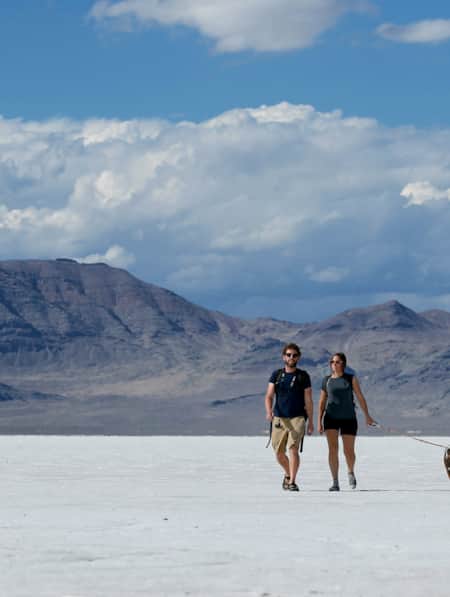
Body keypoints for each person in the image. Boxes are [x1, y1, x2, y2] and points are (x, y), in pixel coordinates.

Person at [318, 352, 376, 491]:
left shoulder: (350, 379)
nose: (334, 364)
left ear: (343, 364)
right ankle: (335, 482)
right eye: (332, 362)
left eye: (337, 362)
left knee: (348, 451)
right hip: (331, 418)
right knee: (333, 449)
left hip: (348, 418)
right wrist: (319, 421)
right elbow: (322, 401)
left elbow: (360, 397)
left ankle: (350, 471)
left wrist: (367, 416)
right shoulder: (326, 380)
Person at [264, 343, 314, 492]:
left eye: (294, 355)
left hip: (297, 417)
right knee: (279, 453)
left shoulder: (303, 376)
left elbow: (308, 400)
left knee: (293, 449)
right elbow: (269, 396)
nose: (291, 357)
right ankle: (288, 474)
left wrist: (311, 421)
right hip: (279, 418)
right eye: (288, 355)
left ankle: (292, 481)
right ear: (283, 356)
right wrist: (269, 412)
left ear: (299, 357)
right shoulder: (277, 375)